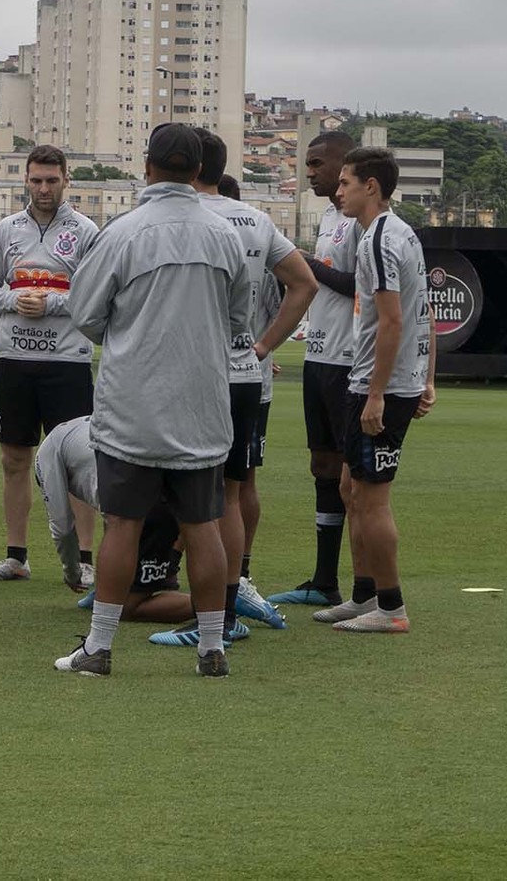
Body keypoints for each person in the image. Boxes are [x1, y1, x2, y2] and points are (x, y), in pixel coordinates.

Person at [54, 123, 249, 678]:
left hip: (132, 405)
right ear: (198, 171)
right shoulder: (225, 235)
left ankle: (99, 648)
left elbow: (85, 313)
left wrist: (128, 334)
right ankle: (212, 649)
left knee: (123, 525)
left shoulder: (122, 232)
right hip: (201, 406)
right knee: (203, 525)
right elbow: (239, 318)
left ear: (147, 167)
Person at [146, 128, 312, 648]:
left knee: (194, 496)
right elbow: (304, 283)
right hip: (245, 375)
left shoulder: (184, 218)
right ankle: (228, 606)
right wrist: (262, 347)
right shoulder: (256, 219)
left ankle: (199, 610)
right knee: (233, 494)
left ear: (191, 168)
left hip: (194, 374)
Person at [316, 147, 436, 632]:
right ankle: (364, 595)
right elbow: (424, 310)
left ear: (371, 186)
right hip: (378, 380)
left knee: (371, 497)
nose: (338, 191)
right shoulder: (398, 233)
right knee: (351, 488)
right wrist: (426, 377)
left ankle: (391, 607)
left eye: (345, 182)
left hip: (377, 384)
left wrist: (378, 393)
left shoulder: (381, 239)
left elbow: (393, 321)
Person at [0, 144, 99, 585]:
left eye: (52, 180)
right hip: (15, 358)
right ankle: (16, 557)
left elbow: (95, 296)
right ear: (25, 180)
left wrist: (51, 304)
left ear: (66, 180)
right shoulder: (8, 229)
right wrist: (14, 299)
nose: (44, 188)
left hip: (67, 360)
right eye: (36, 180)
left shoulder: (86, 231)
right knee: (14, 457)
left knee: (78, 461)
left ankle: (85, 561)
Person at [268, 131, 364, 608]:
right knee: (322, 466)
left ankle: (367, 588)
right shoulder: (329, 216)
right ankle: (325, 581)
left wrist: (307, 266)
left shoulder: (367, 222)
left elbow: (364, 285)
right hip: (319, 357)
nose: (309, 173)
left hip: (350, 361)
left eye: (316, 164)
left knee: (355, 479)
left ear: (344, 164)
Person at [37, 417, 195, 625]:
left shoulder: (47, 453)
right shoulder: (89, 425)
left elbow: (62, 527)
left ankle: (223, 603)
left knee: (126, 607)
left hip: (147, 507)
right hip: (177, 487)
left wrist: (72, 573)